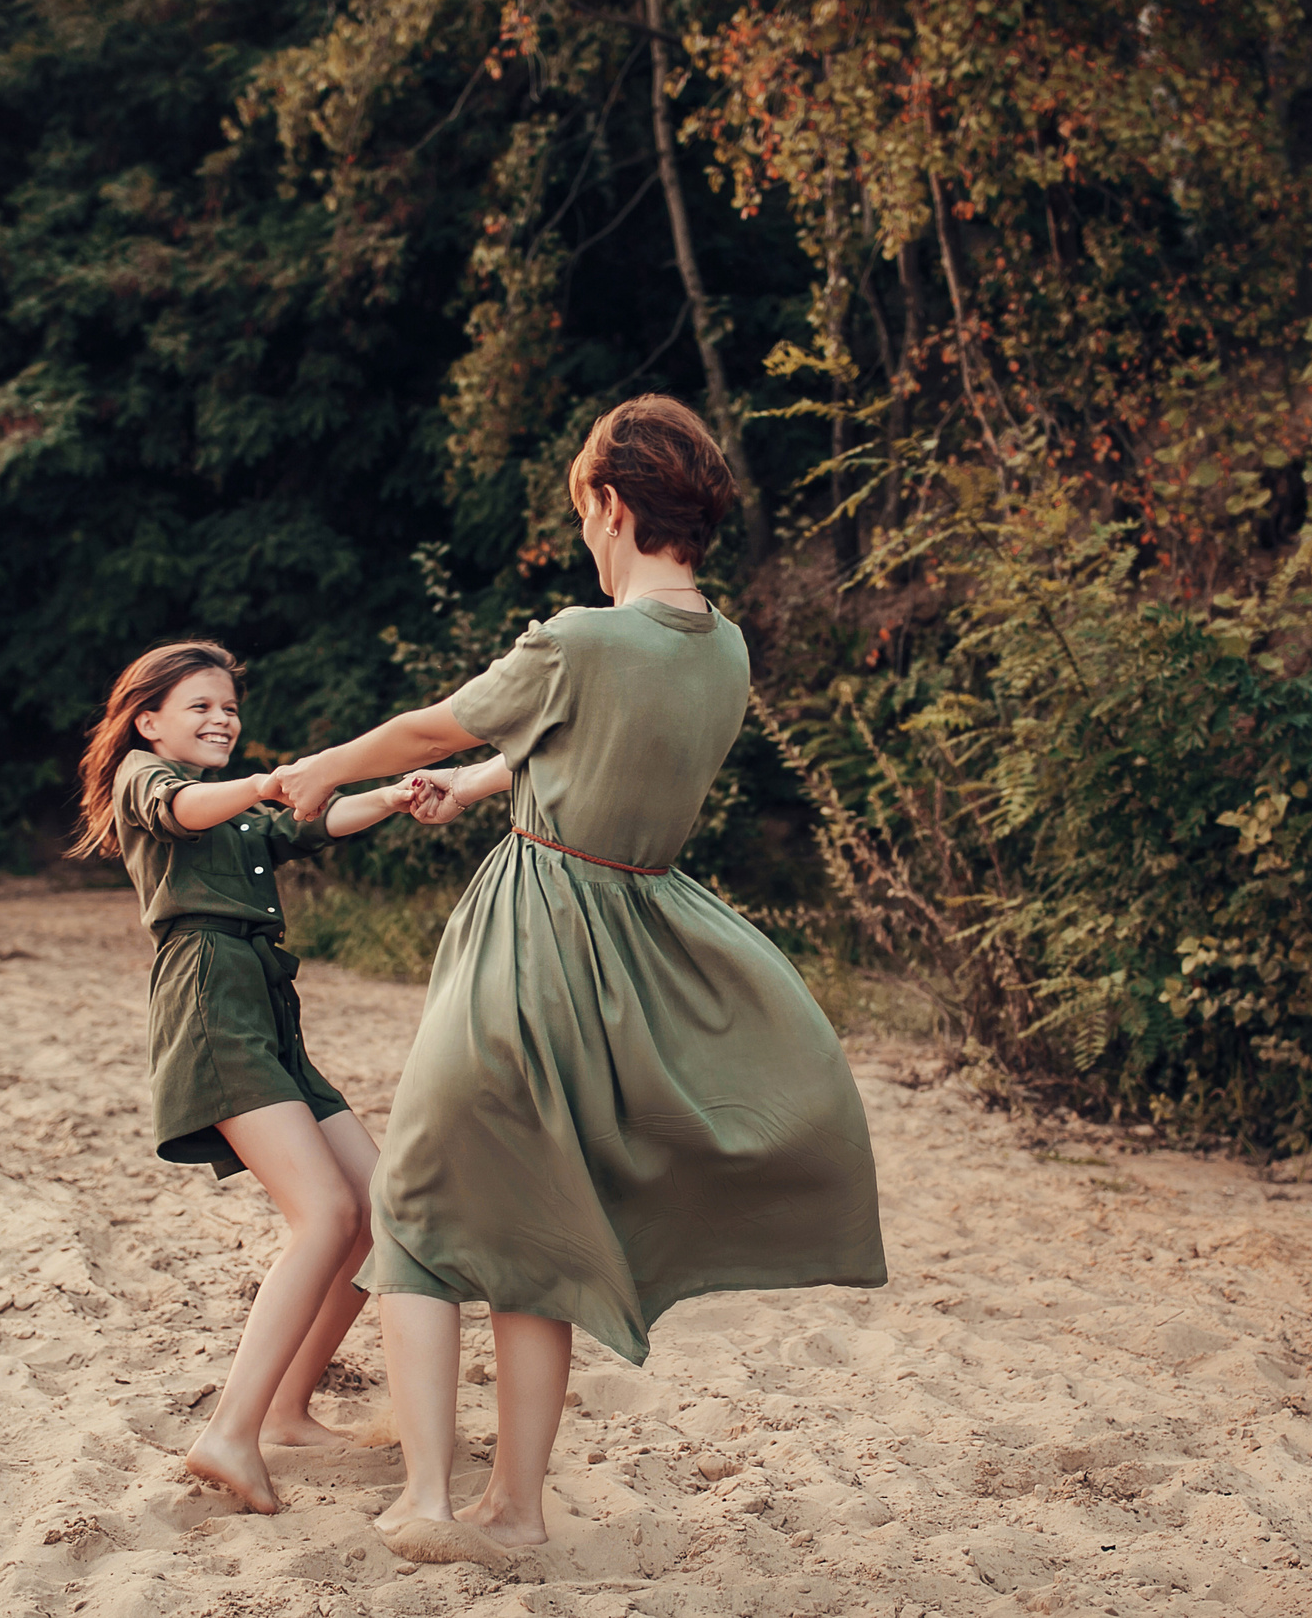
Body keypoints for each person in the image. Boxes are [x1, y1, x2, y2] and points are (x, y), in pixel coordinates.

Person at [275, 396, 887, 1567]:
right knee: (535, 1227)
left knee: (412, 1204)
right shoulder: (721, 646)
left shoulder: (579, 636)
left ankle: (429, 1504)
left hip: (534, 937)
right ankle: (515, 1509)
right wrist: (490, 784)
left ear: (613, 505)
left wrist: (320, 771)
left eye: (585, 513)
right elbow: (597, 743)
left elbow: (426, 728)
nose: (584, 538)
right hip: (626, 941)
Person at [68, 640, 416, 1516]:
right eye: (202, 706)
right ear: (149, 720)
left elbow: (311, 821)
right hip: (211, 1004)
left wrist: (401, 794)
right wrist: (262, 782)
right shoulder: (146, 780)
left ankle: (289, 1411)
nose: (222, 718)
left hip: (268, 1011)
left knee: (378, 1209)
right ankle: (230, 1429)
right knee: (324, 1213)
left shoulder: (237, 809)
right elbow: (188, 810)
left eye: (229, 706)